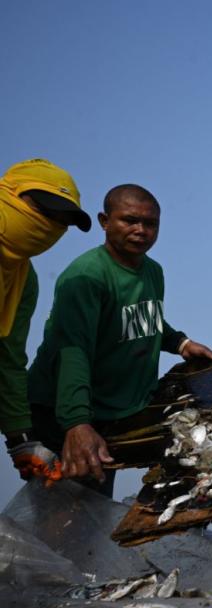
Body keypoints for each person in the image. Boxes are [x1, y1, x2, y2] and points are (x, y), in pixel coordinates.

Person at [27, 183, 212, 496]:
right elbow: (71, 352)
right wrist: (76, 424)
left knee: (95, 507)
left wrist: (180, 343)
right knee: (66, 513)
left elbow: (143, 319)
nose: (141, 230)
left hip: (112, 412)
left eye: (151, 223)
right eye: (129, 220)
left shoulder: (152, 271)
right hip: (64, 413)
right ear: (104, 221)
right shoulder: (85, 277)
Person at [1, 159, 92, 484]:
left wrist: (20, 440)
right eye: (42, 208)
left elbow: (9, 362)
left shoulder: (23, 280)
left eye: (60, 220)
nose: (47, 224)